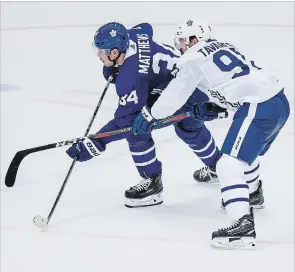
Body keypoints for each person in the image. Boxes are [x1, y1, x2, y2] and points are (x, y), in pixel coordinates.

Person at [131, 19, 290, 249]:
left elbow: (173, 98)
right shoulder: (224, 46)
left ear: (196, 39)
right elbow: (235, 85)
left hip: (259, 106)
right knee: (245, 153)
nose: (181, 46)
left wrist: (150, 115)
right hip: (278, 101)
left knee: (228, 164)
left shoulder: (192, 59)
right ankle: (253, 194)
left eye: (184, 40)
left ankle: (242, 225)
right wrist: (217, 108)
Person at [66, 22, 221, 208]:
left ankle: (152, 182)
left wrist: (96, 142)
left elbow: (125, 122)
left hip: (184, 90)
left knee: (137, 128)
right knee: (188, 127)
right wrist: (114, 68)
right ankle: (219, 167)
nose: (98, 55)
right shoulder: (131, 35)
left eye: (101, 51)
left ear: (115, 53)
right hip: (192, 81)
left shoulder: (130, 78)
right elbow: (146, 27)